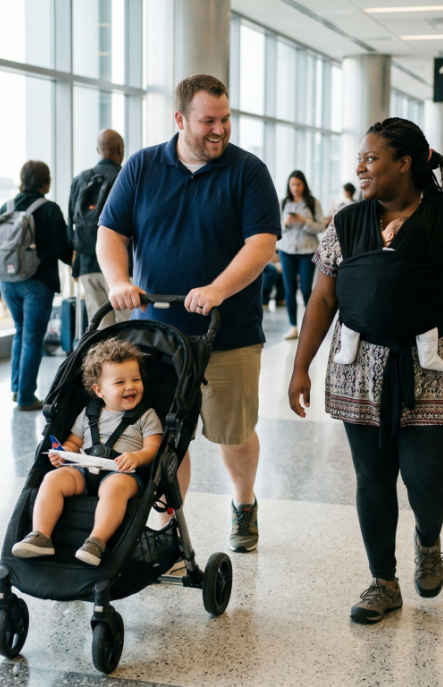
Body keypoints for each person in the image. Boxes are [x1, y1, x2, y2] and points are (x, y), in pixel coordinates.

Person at [287, 117, 443, 625]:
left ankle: (427, 538)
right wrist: (300, 366)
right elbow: (323, 297)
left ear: (406, 163)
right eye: (360, 158)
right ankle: (383, 581)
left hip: (432, 364)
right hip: (360, 365)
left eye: (371, 158)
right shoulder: (346, 222)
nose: (360, 167)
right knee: (372, 480)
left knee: (426, 482)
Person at [96, 74, 280, 552]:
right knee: (167, 437)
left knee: (232, 433)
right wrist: (118, 280)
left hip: (229, 333)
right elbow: (110, 233)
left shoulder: (248, 171)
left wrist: (218, 289)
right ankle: (169, 526)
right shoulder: (141, 167)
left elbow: (261, 244)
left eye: (225, 120)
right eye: (208, 122)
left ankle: (243, 503)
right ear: (180, 120)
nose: (219, 130)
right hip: (156, 337)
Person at [11, 339, 163, 564]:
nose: (130, 386)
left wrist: (136, 456)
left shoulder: (146, 415)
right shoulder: (88, 413)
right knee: (53, 478)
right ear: (99, 390)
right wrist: (65, 453)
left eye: (136, 379)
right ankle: (41, 536)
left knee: (115, 487)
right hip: (84, 471)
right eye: (120, 382)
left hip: (123, 473)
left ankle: (96, 542)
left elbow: (154, 446)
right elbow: (74, 441)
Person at [0, 160, 74, 411]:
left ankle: (18, 389)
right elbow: (62, 249)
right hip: (36, 284)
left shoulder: (4, 207)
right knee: (32, 337)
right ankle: (26, 397)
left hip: (7, 282)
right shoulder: (49, 209)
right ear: (46, 181)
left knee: (21, 333)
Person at [69, 129, 130, 329]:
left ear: (98, 149)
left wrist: (76, 265)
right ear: (120, 149)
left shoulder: (80, 180)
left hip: (88, 265)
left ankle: (103, 362)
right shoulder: (126, 177)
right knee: (128, 327)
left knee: (100, 330)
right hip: (123, 267)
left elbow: (71, 224)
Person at [278, 170, 324, 340]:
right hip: (286, 250)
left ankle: (309, 327)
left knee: (306, 289)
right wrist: (286, 223)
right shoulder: (283, 203)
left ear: (304, 185)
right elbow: (275, 226)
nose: (295, 188)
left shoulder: (313, 203)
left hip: (307, 251)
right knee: (289, 289)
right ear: (288, 186)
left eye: (298, 184)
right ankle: (293, 327)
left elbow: (321, 227)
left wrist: (304, 221)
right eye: (292, 184)